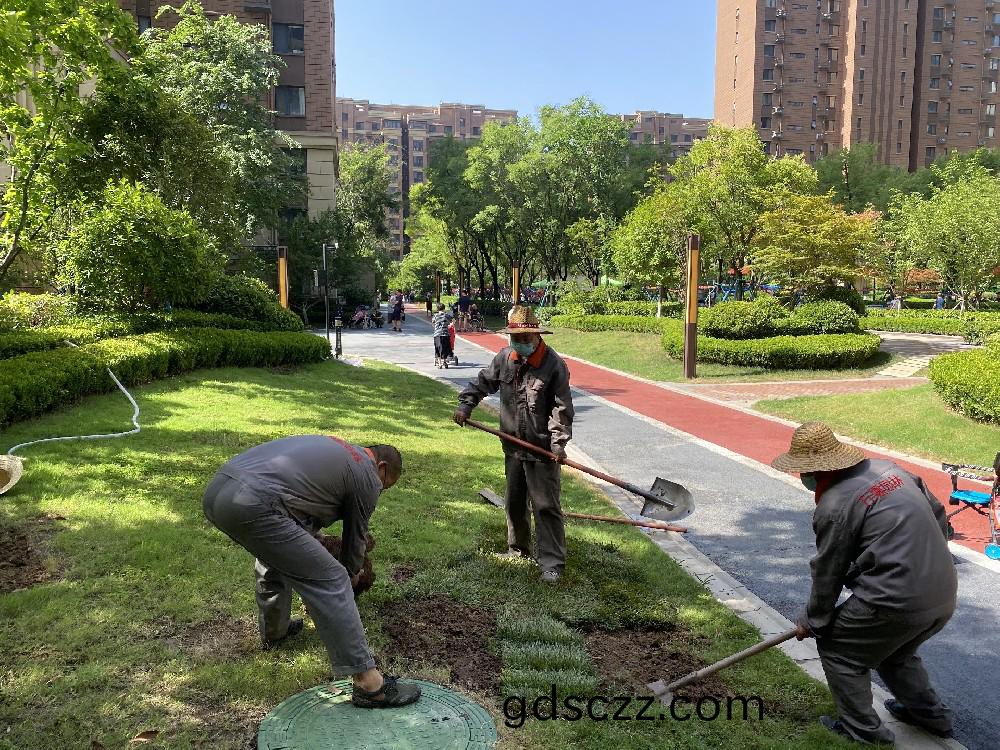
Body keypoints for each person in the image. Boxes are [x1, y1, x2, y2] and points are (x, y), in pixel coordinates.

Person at [771, 422, 956, 744]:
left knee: (839, 650)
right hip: (943, 591)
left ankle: (864, 732)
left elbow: (829, 570)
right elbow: (938, 514)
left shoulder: (834, 506)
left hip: (895, 601)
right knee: (895, 651)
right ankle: (930, 716)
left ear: (814, 470)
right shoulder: (890, 470)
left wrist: (815, 620)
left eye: (803, 471)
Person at [202, 435, 421, 708]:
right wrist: (352, 576)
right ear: (382, 468)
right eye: (384, 486)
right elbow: (356, 539)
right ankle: (370, 684)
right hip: (256, 501)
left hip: (221, 490)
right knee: (333, 578)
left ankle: (276, 632)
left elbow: (300, 503)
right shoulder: (366, 474)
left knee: (276, 557)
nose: (378, 491)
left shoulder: (341, 452)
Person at [452, 306, 574, 584]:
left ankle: (552, 563)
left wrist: (558, 444)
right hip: (512, 445)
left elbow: (562, 409)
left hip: (542, 450)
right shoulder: (506, 358)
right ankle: (518, 549)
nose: (519, 342)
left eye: (524, 338)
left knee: (545, 506)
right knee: (514, 502)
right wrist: (466, 405)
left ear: (536, 336)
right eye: (514, 337)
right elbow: (483, 382)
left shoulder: (554, 365)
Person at [431, 303, 453, 369]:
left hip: (437, 334)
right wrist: (449, 325)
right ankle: (445, 362)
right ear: (444, 308)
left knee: (438, 348)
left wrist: (436, 328)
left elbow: (433, 323)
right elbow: (453, 321)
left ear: (437, 309)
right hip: (445, 334)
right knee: (445, 348)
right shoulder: (447, 315)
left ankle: (440, 363)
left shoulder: (435, 315)